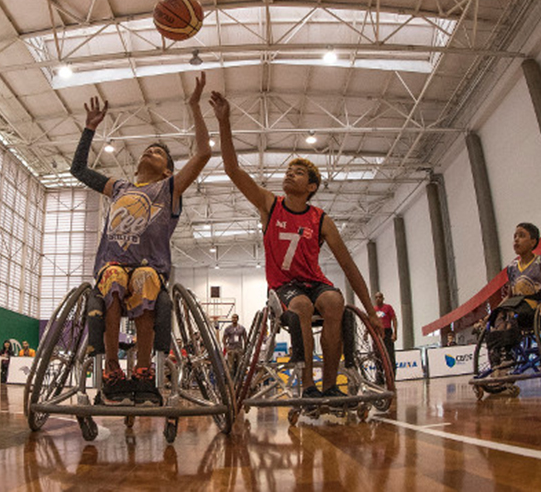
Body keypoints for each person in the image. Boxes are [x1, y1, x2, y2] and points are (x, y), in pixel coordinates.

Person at [211, 91, 381, 401]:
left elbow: (349, 267)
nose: (290, 173)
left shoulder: (321, 219)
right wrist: (224, 123)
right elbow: (233, 171)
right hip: (283, 287)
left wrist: (371, 312)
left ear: (311, 187)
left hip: (314, 283)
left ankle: (330, 386)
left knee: (334, 302)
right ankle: (307, 387)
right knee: (301, 305)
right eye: (289, 170)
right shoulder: (270, 204)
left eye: (299, 172)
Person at [71, 72, 211, 406]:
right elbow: (78, 169)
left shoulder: (169, 188)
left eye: (158, 152)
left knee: (146, 279)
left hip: (150, 267)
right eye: (147, 150)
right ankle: (111, 369)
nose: (150, 152)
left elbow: (204, 153)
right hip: (113, 264)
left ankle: (145, 370)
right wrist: (90, 128)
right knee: (115, 279)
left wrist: (194, 106)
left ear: (167, 170)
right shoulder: (119, 186)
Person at [485, 223, 541, 373]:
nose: (516, 240)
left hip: (538, 307)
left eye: (521, 236)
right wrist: (494, 312)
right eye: (515, 236)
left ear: (533, 241)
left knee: (511, 316)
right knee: (495, 319)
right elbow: (510, 296)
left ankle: (507, 355)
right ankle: (500, 355)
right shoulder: (512, 268)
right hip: (518, 306)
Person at [374, 292, 398, 378]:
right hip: (377, 334)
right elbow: (371, 322)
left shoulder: (388, 307)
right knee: (377, 355)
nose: (378, 299)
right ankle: (379, 377)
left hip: (387, 332)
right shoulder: (374, 309)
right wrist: (366, 334)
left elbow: (394, 320)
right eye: (376, 297)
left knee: (389, 354)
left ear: (383, 298)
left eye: (380, 297)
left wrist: (395, 333)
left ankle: (391, 376)